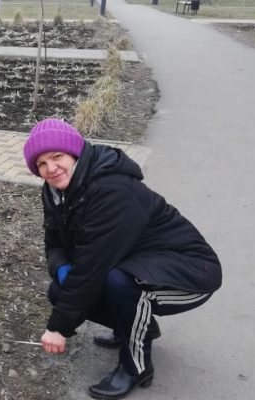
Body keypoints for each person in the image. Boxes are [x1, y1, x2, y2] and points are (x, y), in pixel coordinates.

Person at [22, 118, 222, 400]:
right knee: (59, 290)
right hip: (138, 261)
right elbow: (54, 243)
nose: (51, 168)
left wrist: (58, 328)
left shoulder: (111, 189)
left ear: (74, 153)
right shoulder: (56, 192)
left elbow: (92, 268)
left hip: (191, 273)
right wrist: (62, 267)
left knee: (120, 282)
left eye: (57, 156)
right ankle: (136, 326)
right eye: (41, 164)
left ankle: (135, 368)